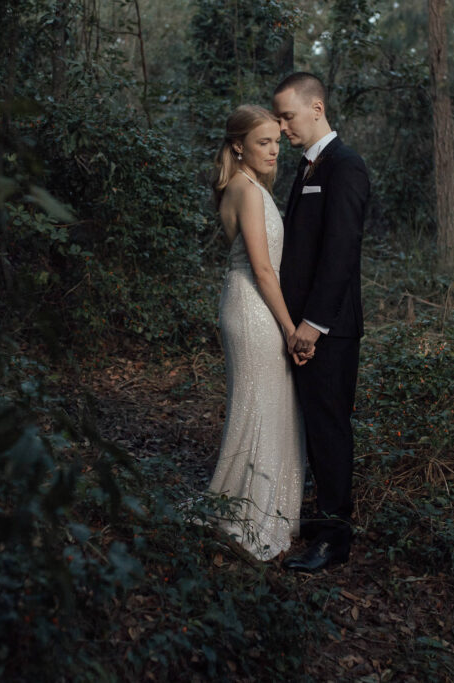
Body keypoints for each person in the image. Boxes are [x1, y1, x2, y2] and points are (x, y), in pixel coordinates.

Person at [273, 73, 371, 571]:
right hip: (304, 326)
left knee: (330, 427)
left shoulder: (346, 166)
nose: (282, 127)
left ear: (316, 108)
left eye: (287, 116)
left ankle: (335, 538)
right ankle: (324, 515)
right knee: (314, 423)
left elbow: (340, 252)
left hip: (330, 328)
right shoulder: (307, 167)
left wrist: (311, 324)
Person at [205, 105, 308, 561]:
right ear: (238, 145)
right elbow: (264, 270)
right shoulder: (246, 191)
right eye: (263, 142)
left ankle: (261, 506)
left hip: (249, 302)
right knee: (260, 406)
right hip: (254, 307)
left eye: (277, 143)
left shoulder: (244, 186)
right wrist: (290, 329)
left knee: (266, 403)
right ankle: (250, 513)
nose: (273, 151)